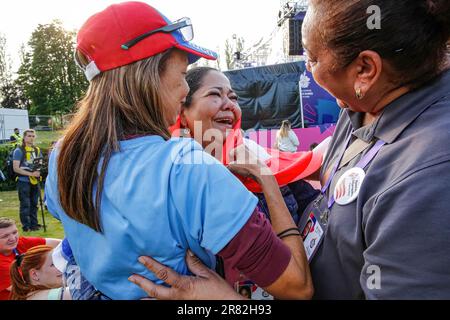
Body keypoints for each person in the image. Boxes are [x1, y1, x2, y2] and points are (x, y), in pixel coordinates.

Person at [130, 0, 450, 300]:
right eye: (214, 95)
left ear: (365, 69)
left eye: (311, 58)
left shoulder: (427, 178)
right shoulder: (358, 109)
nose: (307, 71)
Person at [45, 1, 312, 300]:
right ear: (148, 75)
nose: (185, 88)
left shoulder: (62, 159)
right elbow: (296, 287)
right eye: (183, 73)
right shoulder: (187, 168)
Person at [0, 218, 61, 300]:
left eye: (14, 232)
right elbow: (26, 291)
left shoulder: (19, 243)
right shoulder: (1, 264)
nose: (13, 238)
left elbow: (59, 244)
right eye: (5, 236)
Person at [12, 129, 43, 232]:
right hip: (23, 181)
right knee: (25, 204)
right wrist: (31, 174)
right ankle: (26, 226)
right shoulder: (19, 150)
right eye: (29, 136)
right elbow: (16, 168)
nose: (31, 138)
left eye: (33, 136)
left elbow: (39, 164)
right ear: (24, 137)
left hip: (35, 181)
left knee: (34, 203)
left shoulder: (37, 150)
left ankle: (34, 225)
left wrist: (38, 172)